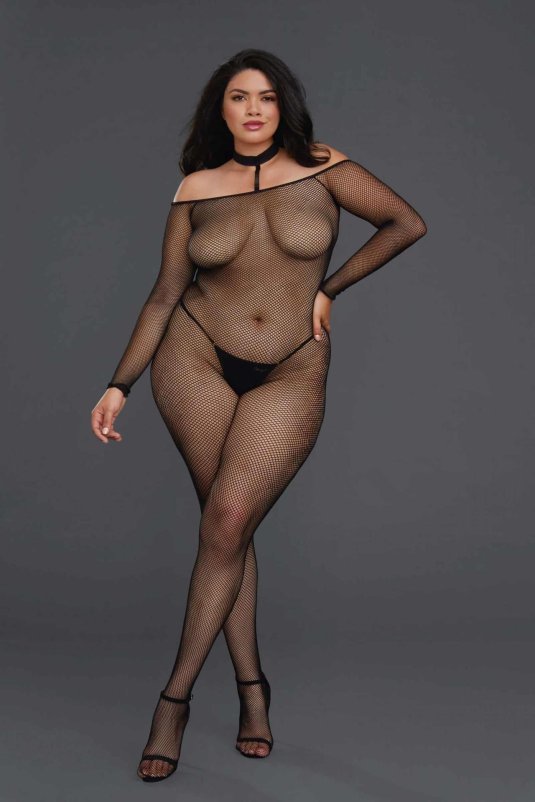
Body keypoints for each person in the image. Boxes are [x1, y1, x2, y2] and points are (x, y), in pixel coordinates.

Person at [90, 47, 427, 783]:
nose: (252, 109)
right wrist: (119, 384)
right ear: (220, 108)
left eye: (267, 97)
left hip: (292, 364)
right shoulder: (196, 187)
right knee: (225, 527)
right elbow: (164, 293)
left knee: (228, 521)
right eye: (239, 97)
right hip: (194, 353)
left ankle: (178, 697)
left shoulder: (324, 166)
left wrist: (329, 288)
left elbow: (405, 222)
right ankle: (245, 693)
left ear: (284, 107)